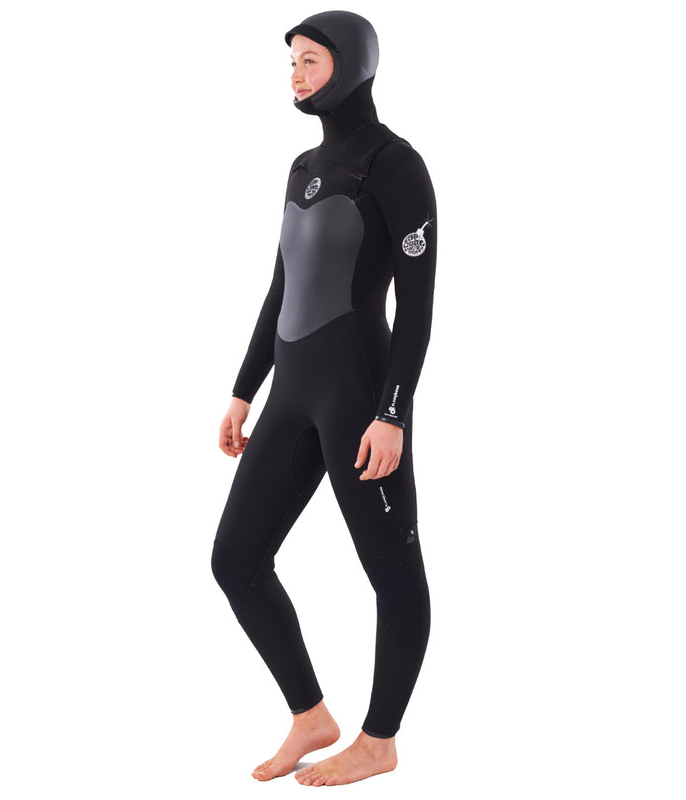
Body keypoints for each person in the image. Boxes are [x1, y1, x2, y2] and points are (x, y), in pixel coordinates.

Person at [212, 10, 437, 787]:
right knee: (235, 559)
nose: (297, 75)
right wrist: (243, 390)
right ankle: (311, 715)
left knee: (392, 572)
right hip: (291, 393)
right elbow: (282, 287)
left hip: (358, 396)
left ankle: (379, 740)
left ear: (355, 65)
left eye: (312, 60)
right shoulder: (302, 167)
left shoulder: (395, 164)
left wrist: (392, 413)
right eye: (292, 63)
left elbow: (418, 307)